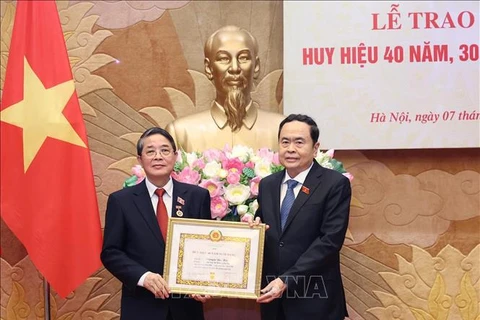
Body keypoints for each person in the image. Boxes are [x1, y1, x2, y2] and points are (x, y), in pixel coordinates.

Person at [101, 127, 212, 320]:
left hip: (186, 308)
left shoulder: (197, 196)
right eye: (150, 151)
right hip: (142, 306)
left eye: (165, 150)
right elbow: (111, 253)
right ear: (140, 159)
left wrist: (202, 283)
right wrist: (144, 277)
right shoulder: (122, 201)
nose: (158, 156)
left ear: (175, 156)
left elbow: (207, 246)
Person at [253, 114, 351, 320]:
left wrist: (286, 280)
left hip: (315, 298)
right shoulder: (268, 184)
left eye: (299, 142)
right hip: (273, 298)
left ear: (315, 148)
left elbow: (329, 241)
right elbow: (265, 227)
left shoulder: (334, 184)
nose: (290, 149)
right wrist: (254, 230)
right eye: (285, 142)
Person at [166, 25, 284, 152]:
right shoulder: (181, 133)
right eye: (223, 59)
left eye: (243, 58)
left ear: (256, 67)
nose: (234, 68)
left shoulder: (282, 130)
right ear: (208, 68)